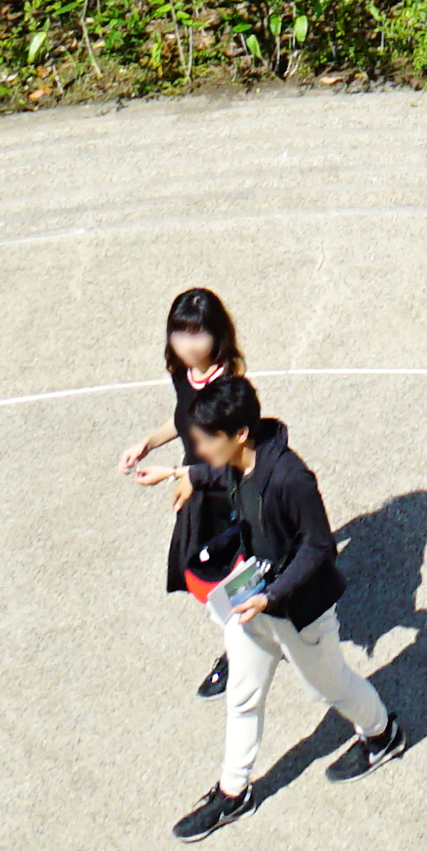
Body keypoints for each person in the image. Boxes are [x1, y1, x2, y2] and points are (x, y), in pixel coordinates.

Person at [171, 373, 403, 837]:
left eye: (206, 442)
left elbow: (319, 548)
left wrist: (272, 595)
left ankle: (382, 733)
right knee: (242, 694)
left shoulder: (292, 479)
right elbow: (218, 472)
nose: (201, 451)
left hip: (298, 609)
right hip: (253, 601)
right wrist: (186, 476)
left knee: (329, 686)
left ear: (239, 435)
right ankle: (234, 793)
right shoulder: (238, 459)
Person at [126, 290, 247, 703]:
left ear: (218, 335)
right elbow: (184, 416)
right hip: (195, 485)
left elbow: (235, 457)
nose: (188, 344)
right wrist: (148, 442)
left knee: (225, 573)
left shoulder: (229, 387)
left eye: (198, 334)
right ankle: (246, 633)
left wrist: (183, 475)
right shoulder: (184, 373)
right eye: (181, 333)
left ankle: (241, 649)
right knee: (201, 572)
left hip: (222, 489)